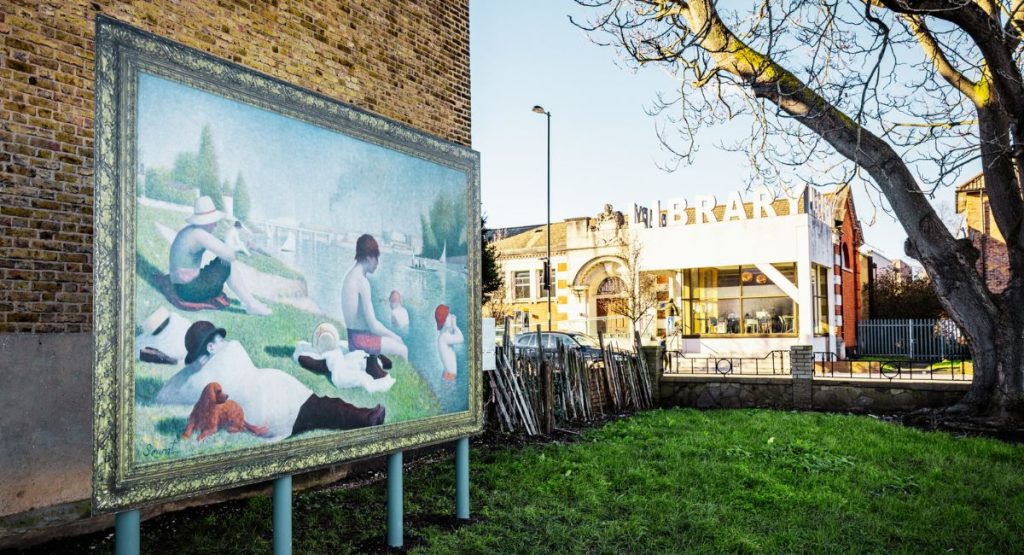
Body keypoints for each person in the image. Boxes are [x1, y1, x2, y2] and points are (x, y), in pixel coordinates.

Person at [155, 321, 385, 440]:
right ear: (211, 346)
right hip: (271, 405)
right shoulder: (213, 369)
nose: (225, 342)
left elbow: (171, 391)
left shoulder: (209, 369)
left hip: (274, 392)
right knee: (322, 409)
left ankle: (364, 416)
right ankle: (365, 417)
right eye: (217, 340)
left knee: (322, 407)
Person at [169, 196, 271, 316]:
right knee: (226, 263)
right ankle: (251, 304)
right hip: (189, 290)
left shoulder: (189, 231)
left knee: (223, 262)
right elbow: (229, 255)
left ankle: (250, 302)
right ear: (206, 221)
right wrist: (245, 247)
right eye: (213, 221)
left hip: (181, 286)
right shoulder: (199, 234)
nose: (215, 225)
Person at [341, 234, 407, 359]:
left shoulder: (349, 276)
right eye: (376, 258)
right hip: (361, 341)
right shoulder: (362, 281)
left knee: (391, 344)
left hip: (352, 339)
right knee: (403, 349)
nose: (377, 263)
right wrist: (395, 336)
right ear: (368, 257)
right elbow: (373, 325)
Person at [293, 322, 396, 393]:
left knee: (358, 350)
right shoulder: (332, 358)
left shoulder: (336, 356)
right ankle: (373, 360)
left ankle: (373, 358)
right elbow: (312, 363)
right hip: (338, 354)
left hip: (355, 354)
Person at [435, 304, 464, 382]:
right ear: (443, 320)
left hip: (447, 374)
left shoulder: (444, 333)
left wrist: (452, 326)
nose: (451, 316)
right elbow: (461, 339)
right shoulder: (444, 337)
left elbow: (453, 334)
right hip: (449, 376)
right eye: (448, 315)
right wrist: (454, 326)